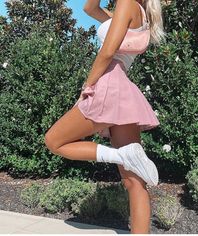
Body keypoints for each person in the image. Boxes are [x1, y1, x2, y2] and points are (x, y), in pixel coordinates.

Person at [44, 0, 166, 233]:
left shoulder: (127, 4)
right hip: (124, 92)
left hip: (107, 86)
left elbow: (108, 51)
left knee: (54, 141)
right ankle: (127, 157)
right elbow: (90, 9)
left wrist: (86, 87)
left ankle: (120, 155)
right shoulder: (139, 13)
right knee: (135, 181)